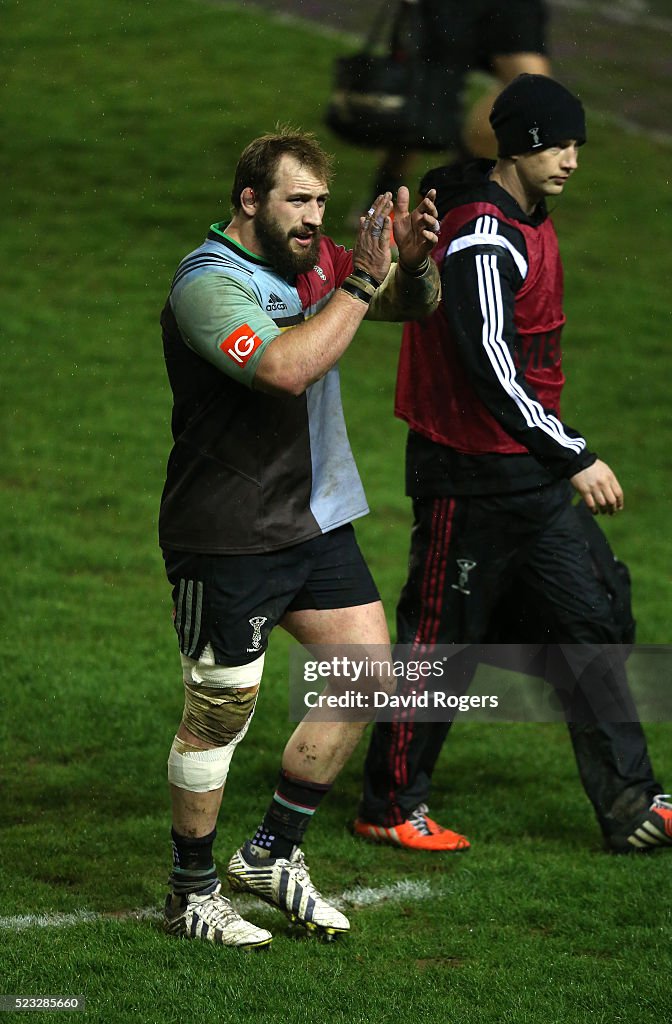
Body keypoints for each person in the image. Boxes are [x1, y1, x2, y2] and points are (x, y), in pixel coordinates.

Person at [353, 75, 672, 855]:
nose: (570, 160)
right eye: (553, 144)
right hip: (469, 477)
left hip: (524, 474)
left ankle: (632, 805)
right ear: (514, 146)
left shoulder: (524, 215)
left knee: (594, 616)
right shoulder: (482, 233)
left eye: (576, 144)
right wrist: (572, 452)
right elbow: (487, 359)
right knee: (442, 642)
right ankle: (389, 803)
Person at [158, 127, 441, 948]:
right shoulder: (207, 284)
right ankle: (190, 892)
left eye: (321, 200)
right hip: (229, 531)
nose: (314, 216)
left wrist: (412, 263)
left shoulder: (317, 263)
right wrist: (359, 278)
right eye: (297, 200)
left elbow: (411, 307)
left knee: (365, 678)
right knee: (219, 714)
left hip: (314, 517)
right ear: (250, 200)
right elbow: (285, 367)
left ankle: (272, 853)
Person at [370, 0, 551, 205]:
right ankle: (385, 199)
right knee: (422, 103)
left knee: (532, 88)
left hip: (509, 7)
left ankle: (446, 192)